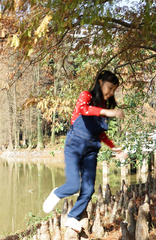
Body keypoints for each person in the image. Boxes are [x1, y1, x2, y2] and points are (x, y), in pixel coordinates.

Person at [42, 70, 128, 233]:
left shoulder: (104, 107)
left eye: (114, 90)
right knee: (74, 185)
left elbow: (100, 132)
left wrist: (115, 147)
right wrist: (107, 112)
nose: (110, 93)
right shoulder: (86, 96)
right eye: (109, 88)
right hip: (75, 145)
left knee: (88, 189)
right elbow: (83, 110)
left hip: (91, 151)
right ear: (100, 82)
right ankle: (57, 193)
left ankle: (72, 217)